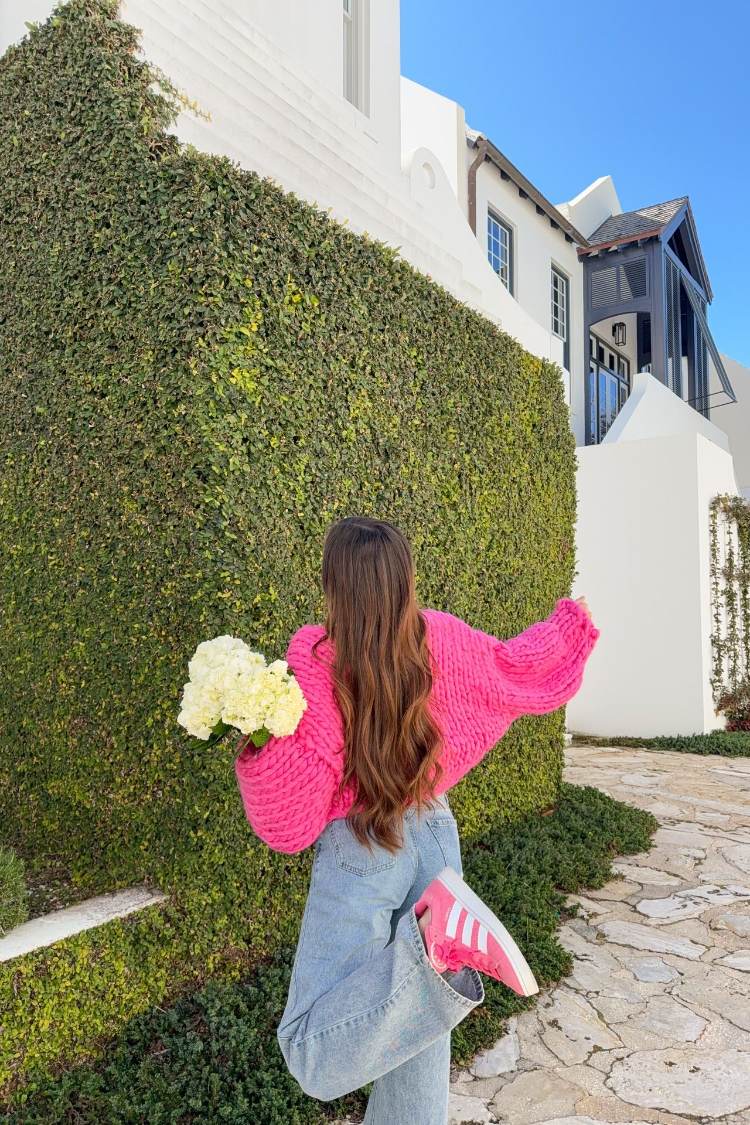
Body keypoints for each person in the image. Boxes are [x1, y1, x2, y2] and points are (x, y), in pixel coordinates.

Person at [234, 516, 599, 1124]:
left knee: (308, 1051)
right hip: (433, 833)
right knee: (416, 1052)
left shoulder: (316, 665)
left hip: (364, 840)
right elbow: (515, 668)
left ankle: (432, 949)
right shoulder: (446, 641)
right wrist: (572, 625)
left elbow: (287, 823)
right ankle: (439, 943)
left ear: (332, 584)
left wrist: (255, 738)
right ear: (406, 578)